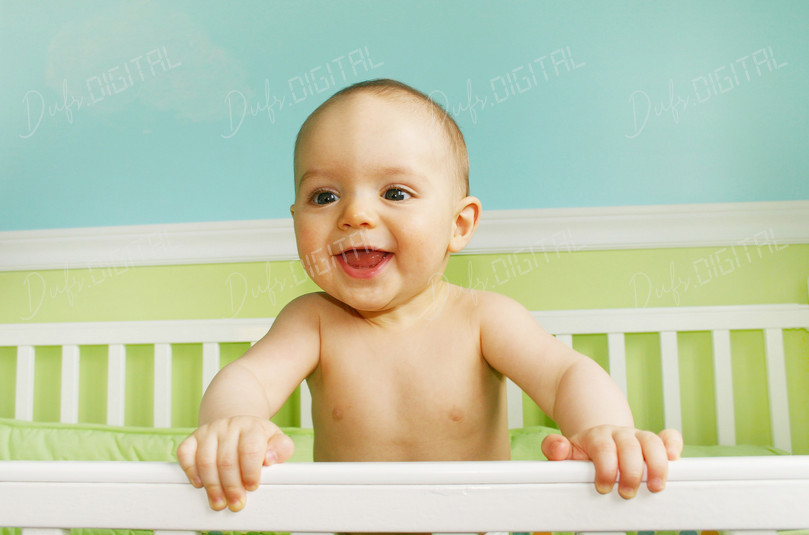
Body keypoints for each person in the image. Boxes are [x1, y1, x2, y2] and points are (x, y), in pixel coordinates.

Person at [177, 78, 683, 513]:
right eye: (324, 196)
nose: (354, 215)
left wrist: (604, 430)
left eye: (395, 192)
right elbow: (247, 379)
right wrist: (233, 424)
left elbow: (565, 374)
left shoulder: (484, 318)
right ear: (295, 220)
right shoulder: (312, 321)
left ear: (458, 225)